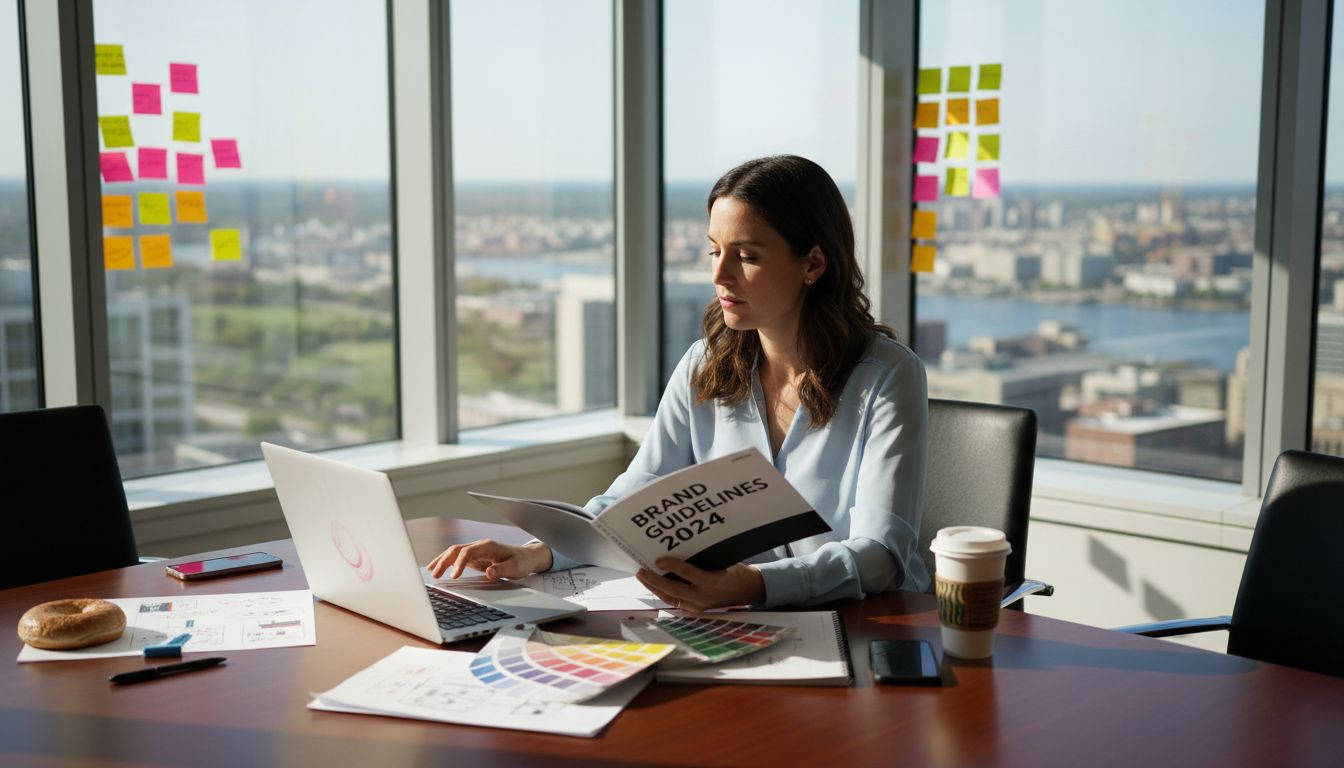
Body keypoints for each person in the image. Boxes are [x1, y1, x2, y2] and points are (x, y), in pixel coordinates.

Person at [428, 154, 930, 611]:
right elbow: (630, 504)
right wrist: (537, 553)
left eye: (747, 256)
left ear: (814, 264)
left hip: (870, 627)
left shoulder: (887, 376)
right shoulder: (704, 366)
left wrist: (754, 585)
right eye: (714, 251)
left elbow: (880, 555)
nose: (721, 275)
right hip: (731, 621)